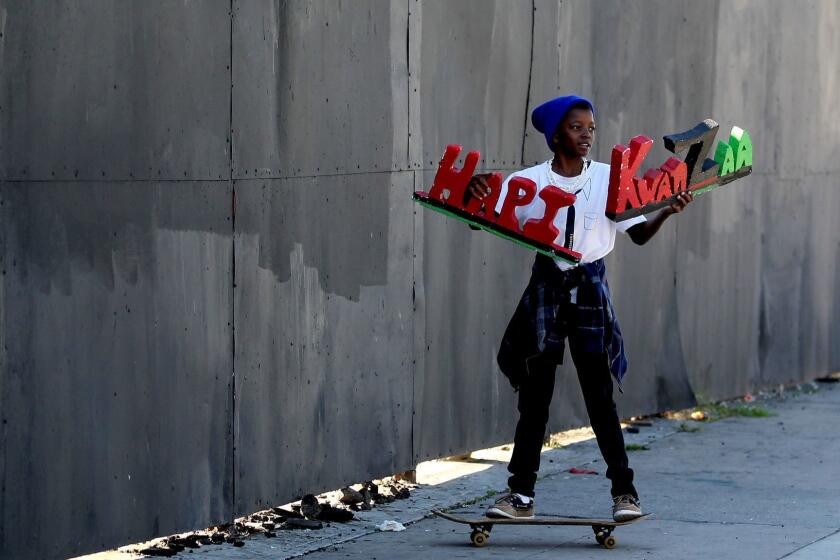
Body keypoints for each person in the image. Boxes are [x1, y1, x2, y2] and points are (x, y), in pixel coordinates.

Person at [466, 95, 693, 521]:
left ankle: (625, 494)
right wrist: (473, 187)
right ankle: (521, 497)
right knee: (535, 400)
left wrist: (665, 210)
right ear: (555, 136)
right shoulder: (528, 182)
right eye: (576, 128)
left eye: (591, 127)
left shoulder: (610, 179)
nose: (587, 134)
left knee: (600, 399)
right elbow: (482, 213)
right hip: (547, 287)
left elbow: (639, 235)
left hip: (590, 287)